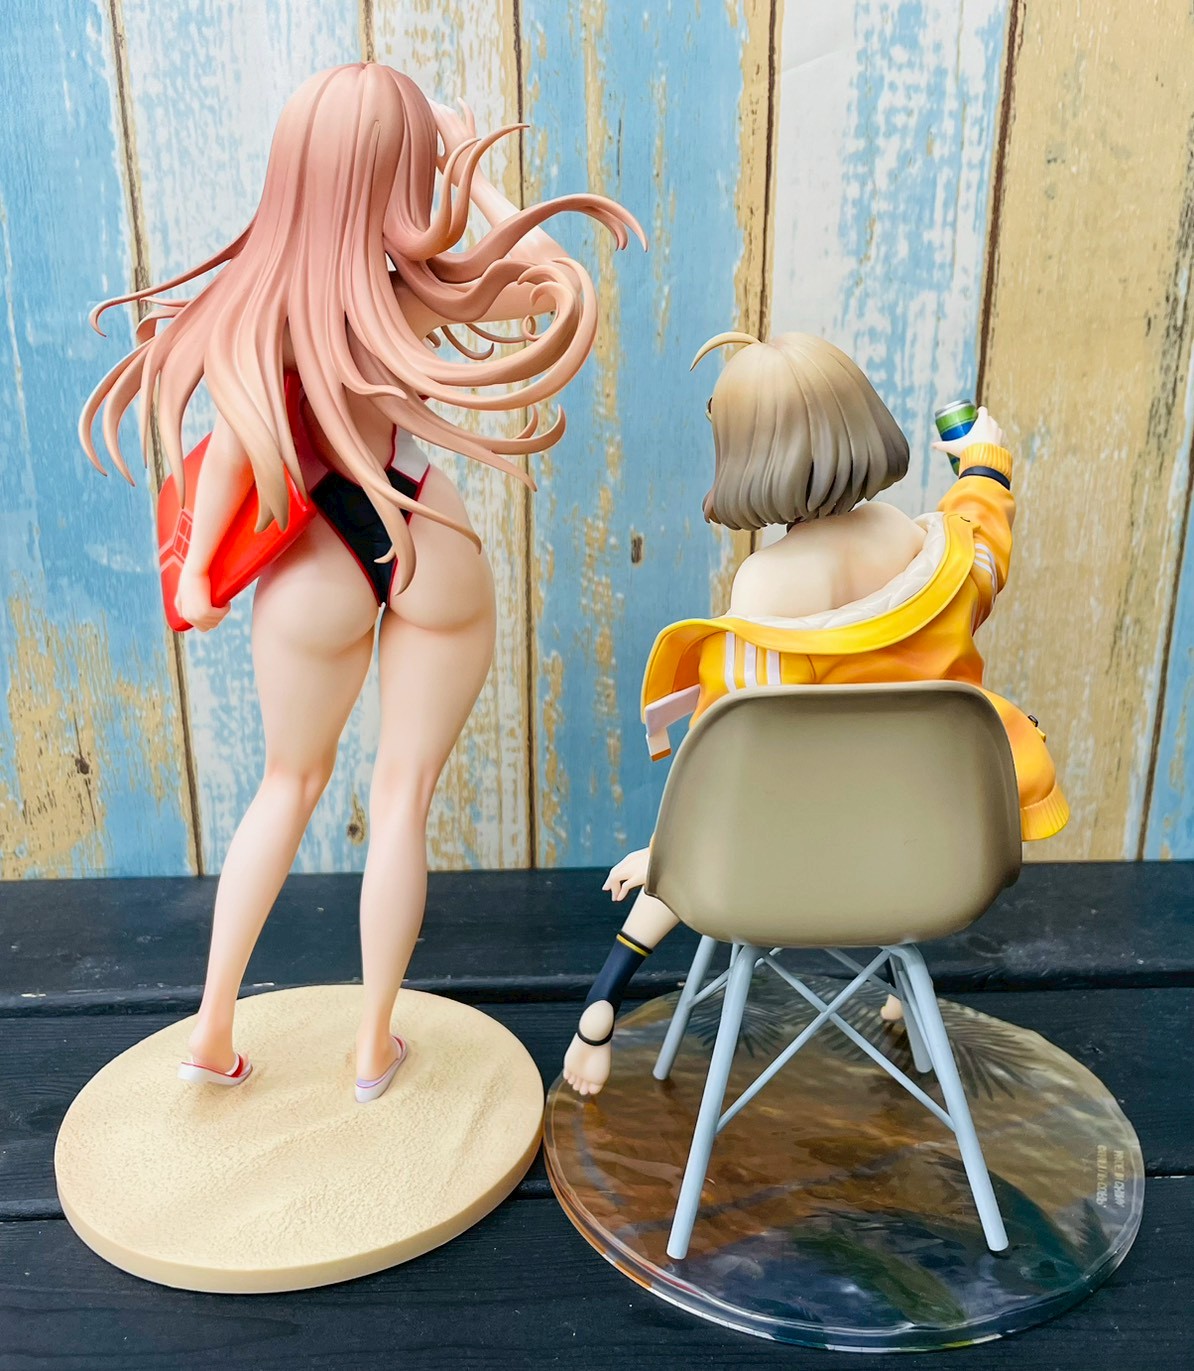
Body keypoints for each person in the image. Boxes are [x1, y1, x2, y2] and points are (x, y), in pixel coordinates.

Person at [81, 62, 644, 1102]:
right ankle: (373, 1049)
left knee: (285, 786)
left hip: (313, 560)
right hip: (422, 526)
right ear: (401, 171)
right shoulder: (409, 297)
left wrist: (199, 574)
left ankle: (211, 1031)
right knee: (401, 796)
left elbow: (238, 453)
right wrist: (477, 179)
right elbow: (562, 287)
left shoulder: (255, 312)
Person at [563, 330, 1066, 1097]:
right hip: (925, 851)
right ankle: (901, 978)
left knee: (682, 860)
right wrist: (984, 466)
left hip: (792, 865)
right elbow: (984, 548)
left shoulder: (766, 588)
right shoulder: (920, 543)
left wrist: (660, 850)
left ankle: (598, 1009)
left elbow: (729, 764)